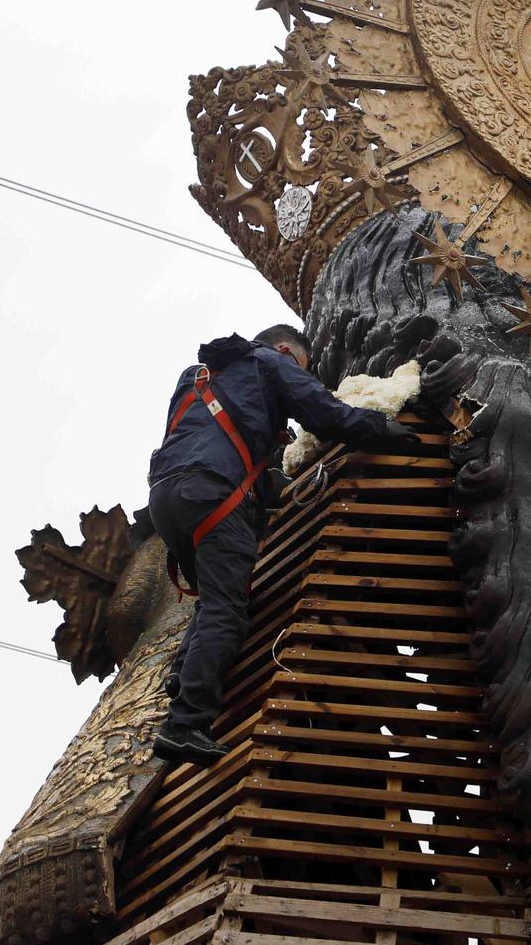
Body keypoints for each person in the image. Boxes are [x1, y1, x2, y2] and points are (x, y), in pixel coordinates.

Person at [147, 324, 412, 762]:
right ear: (287, 350)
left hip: (168, 497)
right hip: (215, 494)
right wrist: (381, 428)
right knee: (227, 610)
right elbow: (324, 413)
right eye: (300, 366)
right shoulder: (269, 361)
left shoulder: (196, 376)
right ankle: (186, 722)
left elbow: (209, 438)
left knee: (212, 601)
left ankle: (182, 675)